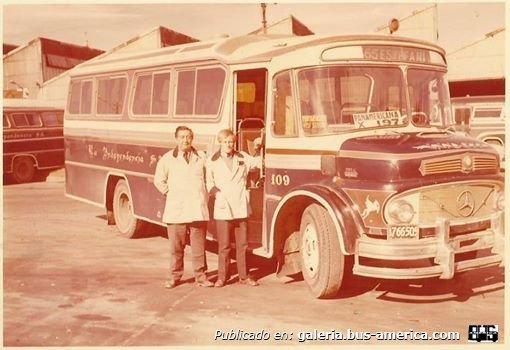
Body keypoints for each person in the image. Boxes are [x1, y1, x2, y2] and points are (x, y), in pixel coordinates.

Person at [154, 126, 214, 289]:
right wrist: (170, 193)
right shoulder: (167, 158)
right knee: (176, 247)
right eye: (182, 137)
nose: (185, 140)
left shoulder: (201, 157)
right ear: (176, 139)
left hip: (197, 208)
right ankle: (175, 276)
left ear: (192, 139)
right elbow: (159, 180)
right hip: (176, 210)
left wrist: (204, 194)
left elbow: (210, 177)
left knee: (199, 247)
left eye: (188, 137)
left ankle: (201, 277)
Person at [206, 129, 260, 288]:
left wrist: (258, 147)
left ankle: (244, 276)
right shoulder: (212, 161)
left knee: (243, 244)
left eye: (231, 142)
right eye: (225, 142)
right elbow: (209, 183)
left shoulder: (242, 157)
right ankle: (222, 277)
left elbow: (257, 162)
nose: (229, 145)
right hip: (223, 207)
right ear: (220, 143)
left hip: (240, 206)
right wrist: (217, 194)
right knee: (224, 245)